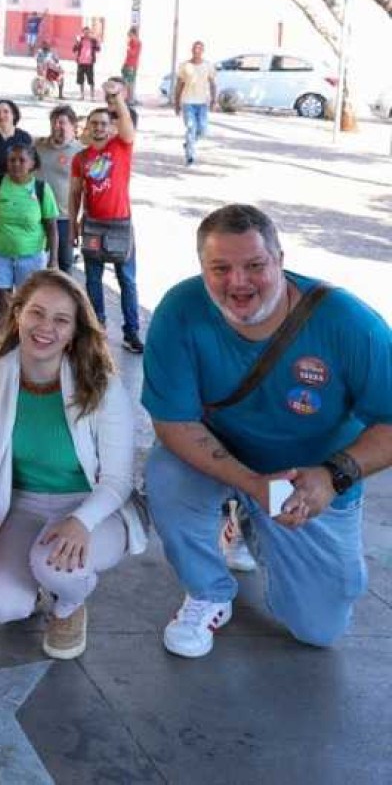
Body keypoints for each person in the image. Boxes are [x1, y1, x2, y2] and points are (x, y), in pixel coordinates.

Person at [143, 204, 392, 657]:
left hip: (309, 478)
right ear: (202, 269)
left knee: (319, 629)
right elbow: (173, 422)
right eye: (221, 268)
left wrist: (334, 476)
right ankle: (209, 591)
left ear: (280, 259)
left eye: (255, 266)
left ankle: (250, 526)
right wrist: (253, 484)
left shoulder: (350, 323)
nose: (238, 283)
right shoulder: (180, 310)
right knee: (165, 471)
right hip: (224, 462)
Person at [0, 270, 146, 660]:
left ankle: (69, 605)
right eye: (37, 313)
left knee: (54, 567)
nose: (45, 328)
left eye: (61, 320)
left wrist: (81, 522)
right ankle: (33, 589)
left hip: (92, 506)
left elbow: (118, 480)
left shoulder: (101, 383)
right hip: (20, 502)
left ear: (74, 331)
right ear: (18, 313)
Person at [69, 80, 142, 353]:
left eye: (103, 123)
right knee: (92, 279)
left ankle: (131, 332)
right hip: (92, 226)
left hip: (121, 225)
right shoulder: (80, 159)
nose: (99, 127)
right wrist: (73, 226)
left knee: (127, 281)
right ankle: (96, 328)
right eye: (94, 123)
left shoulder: (121, 147)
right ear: (87, 128)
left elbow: (125, 120)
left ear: (111, 127)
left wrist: (116, 96)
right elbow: (75, 194)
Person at [0, 144, 59, 331]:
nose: (16, 164)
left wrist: (53, 259)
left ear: (32, 164)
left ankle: (22, 341)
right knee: (1, 301)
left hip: (31, 257)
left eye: (21, 160)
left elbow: (51, 227)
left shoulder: (42, 189)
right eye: (12, 160)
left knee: (27, 303)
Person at [36, 105, 82, 274]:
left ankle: (64, 299)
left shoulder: (80, 152)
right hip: (36, 215)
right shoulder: (37, 146)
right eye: (54, 123)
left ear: (73, 126)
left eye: (62, 123)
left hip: (64, 217)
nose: (57, 127)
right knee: (33, 261)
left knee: (64, 265)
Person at [173, 40, 220, 167]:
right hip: (188, 102)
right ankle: (190, 157)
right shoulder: (184, 66)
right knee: (190, 127)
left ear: (202, 51)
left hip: (202, 103)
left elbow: (213, 84)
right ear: (192, 50)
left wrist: (214, 100)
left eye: (199, 48)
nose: (196, 51)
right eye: (195, 48)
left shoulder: (208, 66)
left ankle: (189, 142)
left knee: (203, 129)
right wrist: (176, 103)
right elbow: (179, 85)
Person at [71, 27, 102, 101]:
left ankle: (92, 96)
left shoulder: (93, 40)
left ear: (90, 33)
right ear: (83, 32)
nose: (86, 34)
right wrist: (77, 42)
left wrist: (98, 42)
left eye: (88, 32)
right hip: (81, 62)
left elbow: (98, 49)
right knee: (80, 80)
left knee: (91, 80)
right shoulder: (80, 40)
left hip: (89, 63)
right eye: (85, 32)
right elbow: (74, 50)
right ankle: (82, 95)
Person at [122, 26, 142, 102]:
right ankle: (127, 96)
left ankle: (129, 98)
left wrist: (129, 49)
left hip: (132, 64)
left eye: (130, 35)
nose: (129, 37)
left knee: (130, 81)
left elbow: (133, 53)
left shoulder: (137, 43)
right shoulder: (131, 42)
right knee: (125, 81)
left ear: (134, 34)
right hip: (127, 63)